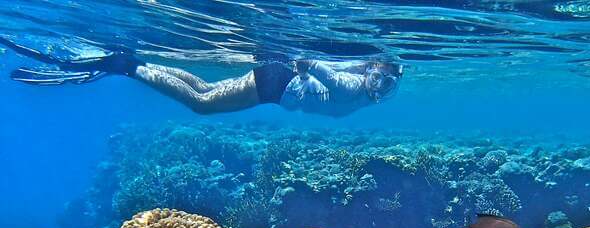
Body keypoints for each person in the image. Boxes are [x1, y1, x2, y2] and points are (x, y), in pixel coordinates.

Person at [0, 37, 402, 116]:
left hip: (278, 83)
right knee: (203, 104)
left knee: (206, 89)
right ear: (370, 70)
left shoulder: (364, 89)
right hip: (277, 85)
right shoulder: (354, 85)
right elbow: (322, 72)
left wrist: (304, 64)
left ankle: (136, 63)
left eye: (389, 84)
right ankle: (129, 67)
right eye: (379, 77)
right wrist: (304, 61)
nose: (381, 86)